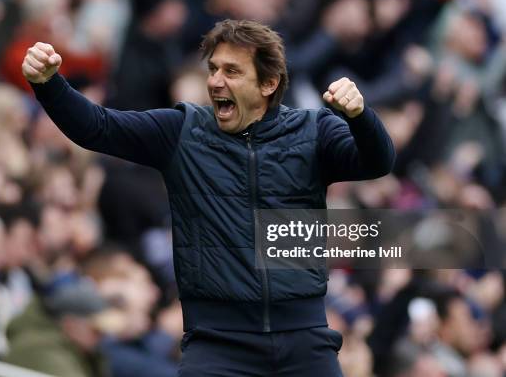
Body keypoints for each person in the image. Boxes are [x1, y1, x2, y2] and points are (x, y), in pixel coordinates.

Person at [22, 19, 395, 376]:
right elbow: (97, 127)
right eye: (213, 69)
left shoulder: (315, 131)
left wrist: (360, 117)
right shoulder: (181, 131)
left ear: (268, 83)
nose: (215, 81)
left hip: (305, 341)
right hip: (218, 345)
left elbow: (377, 161)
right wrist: (49, 84)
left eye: (231, 71)